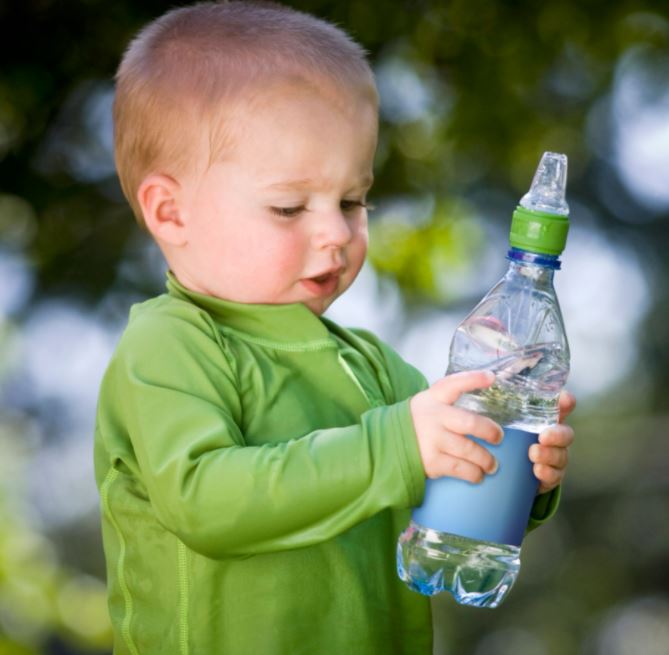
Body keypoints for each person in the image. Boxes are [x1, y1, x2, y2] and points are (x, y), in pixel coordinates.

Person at [94, 2, 576, 653]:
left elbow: (434, 498)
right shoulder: (170, 345)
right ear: (170, 212)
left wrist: (515, 471)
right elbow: (202, 499)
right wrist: (397, 447)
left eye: (352, 201)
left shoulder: (373, 367)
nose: (335, 232)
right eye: (289, 206)